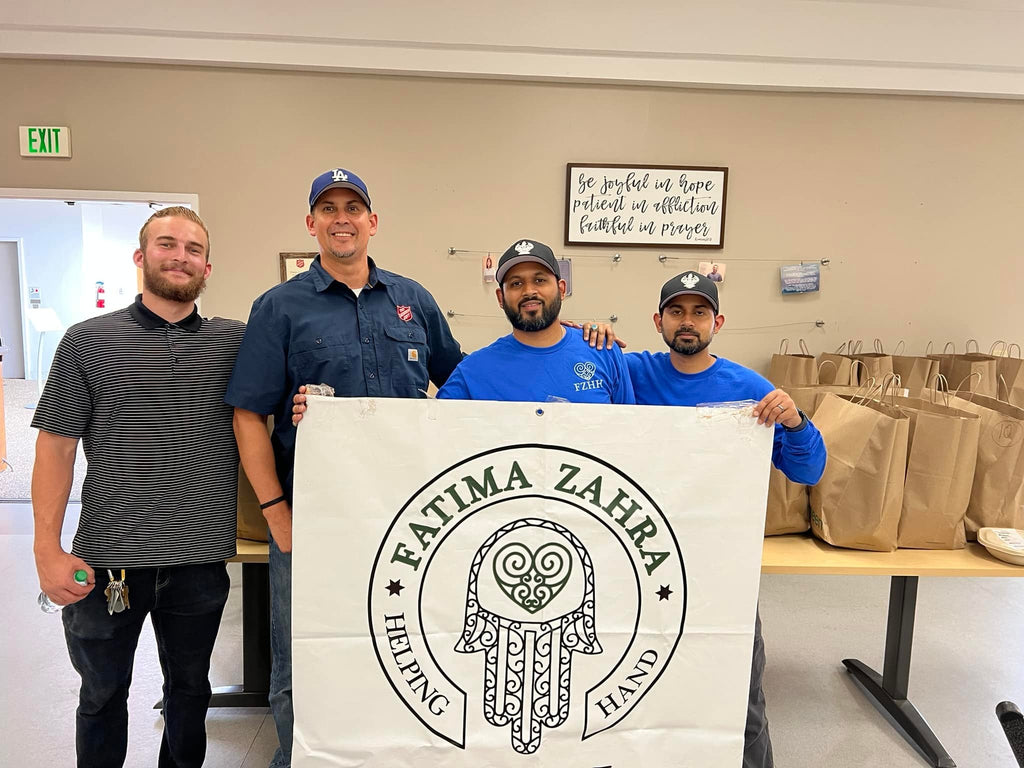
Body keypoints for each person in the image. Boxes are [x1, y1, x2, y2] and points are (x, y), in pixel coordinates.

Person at [225, 167, 464, 767]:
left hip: (409, 514)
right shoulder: (279, 308)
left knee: (402, 636)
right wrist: (276, 513)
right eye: (327, 208)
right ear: (311, 224)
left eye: (352, 208)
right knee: (305, 648)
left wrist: (566, 345)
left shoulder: (414, 301)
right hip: (312, 515)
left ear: (372, 222)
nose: (341, 218)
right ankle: (297, 756)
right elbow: (249, 416)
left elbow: (466, 390)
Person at [31, 207, 245, 768]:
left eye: (193, 248)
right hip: (110, 562)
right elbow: (55, 447)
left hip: (199, 557)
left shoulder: (235, 343)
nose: (180, 256)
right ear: (140, 257)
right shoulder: (88, 342)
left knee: (190, 696)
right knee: (102, 697)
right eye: (166, 244)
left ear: (207, 266)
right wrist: (46, 548)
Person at [624, 270, 826, 768]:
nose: (687, 322)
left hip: (721, 569)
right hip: (640, 564)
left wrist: (795, 419)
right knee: (641, 687)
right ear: (658, 321)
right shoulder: (631, 373)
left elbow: (810, 469)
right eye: (676, 311)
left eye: (698, 312)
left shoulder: (749, 387)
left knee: (739, 697)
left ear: (718, 321)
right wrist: (586, 334)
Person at [435, 238, 634, 403]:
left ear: (562, 289)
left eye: (540, 280)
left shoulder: (603, 352)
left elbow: (628, 432)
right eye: (516, 283)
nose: (529, 291)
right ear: (500, 298)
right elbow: (438, 432)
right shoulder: (473, 372)